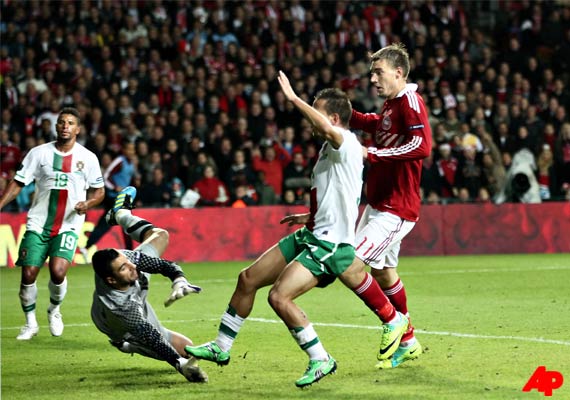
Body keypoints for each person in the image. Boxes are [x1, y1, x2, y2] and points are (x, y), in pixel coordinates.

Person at [186, 72, 408, 388]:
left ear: (333, 118)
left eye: (317, 111)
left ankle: (321, 358)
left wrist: (292, 98)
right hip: (313, 232)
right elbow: (336, 192)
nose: (311, 119)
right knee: (247, 279)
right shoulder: (330, 148)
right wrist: (311, 215)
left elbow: (326, 129)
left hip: (329, 245)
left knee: (279, 297)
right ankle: (221, 347)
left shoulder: (345, 141)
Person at [348, 43, 432, 369]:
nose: (372, 78)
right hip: (379, 202)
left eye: (378, 72)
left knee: (350, 264)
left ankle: (393, 322)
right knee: (382, 272)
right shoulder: (390, 104)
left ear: (398, 73)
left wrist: (373, 153)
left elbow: (421, 145)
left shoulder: (410, 101)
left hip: (396, 207)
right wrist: (348, 115)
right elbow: (378, 124)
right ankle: (408, 341)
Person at [0, 107, 105, 340]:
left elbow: (100, 191)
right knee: (28, 273)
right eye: (61, 122)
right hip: (38, 223)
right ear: (56, 127)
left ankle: (54, 310)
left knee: (58, 272)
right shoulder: (38, 153)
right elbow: (18, 183)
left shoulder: (88, 158)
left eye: (70, 123)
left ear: (78, 129)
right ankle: (30, 323)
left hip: (68, 225)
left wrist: (88, 203)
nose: (65, 126)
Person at [90, 187, 207, 383]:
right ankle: (127, 345)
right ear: (111, 280)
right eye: (124, 268)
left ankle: (121, 215)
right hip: (120, 325)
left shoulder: (126, 261)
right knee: (183, 351)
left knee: (160, 235)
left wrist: (178, 280)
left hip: (131, 289)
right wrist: (179, 364)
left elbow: (161, 265)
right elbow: (151, 337)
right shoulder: (122, 308)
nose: (132, 267)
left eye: (127, 262)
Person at [80, 141, 136, 261]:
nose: (131, 152)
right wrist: (115, 187)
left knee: (117, 223)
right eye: (129, 149)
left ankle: (87, 246)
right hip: (113, 197)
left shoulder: (131, 163)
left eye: (133, 149)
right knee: (118, 223)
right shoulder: (119, 161)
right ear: (124, 150)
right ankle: (130, 252)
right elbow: (106, 177)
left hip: (123, 198)